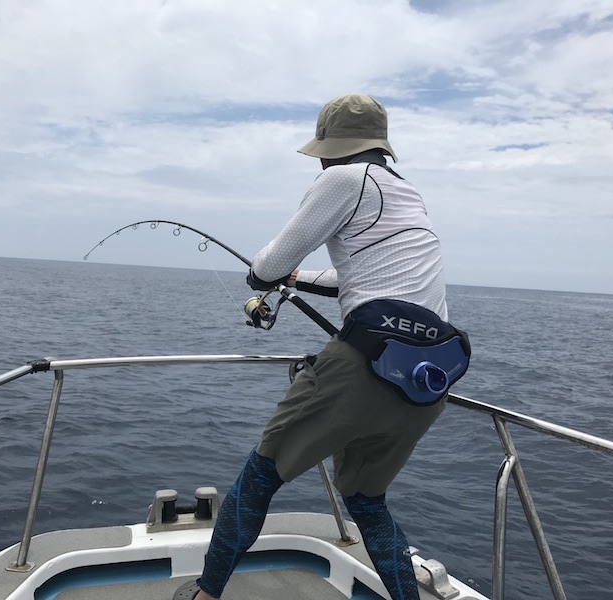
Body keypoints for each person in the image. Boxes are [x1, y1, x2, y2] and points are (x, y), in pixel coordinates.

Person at [173, 93, 469, 600]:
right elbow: (362, 279)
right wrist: (296, 279)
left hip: (360, 372)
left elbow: (266, 266)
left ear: (331, 149)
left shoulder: (343, 179)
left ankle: (205, 593)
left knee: (260, 477)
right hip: (426, 383)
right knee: (367, 502)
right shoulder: (405, 191)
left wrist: (267, 274)